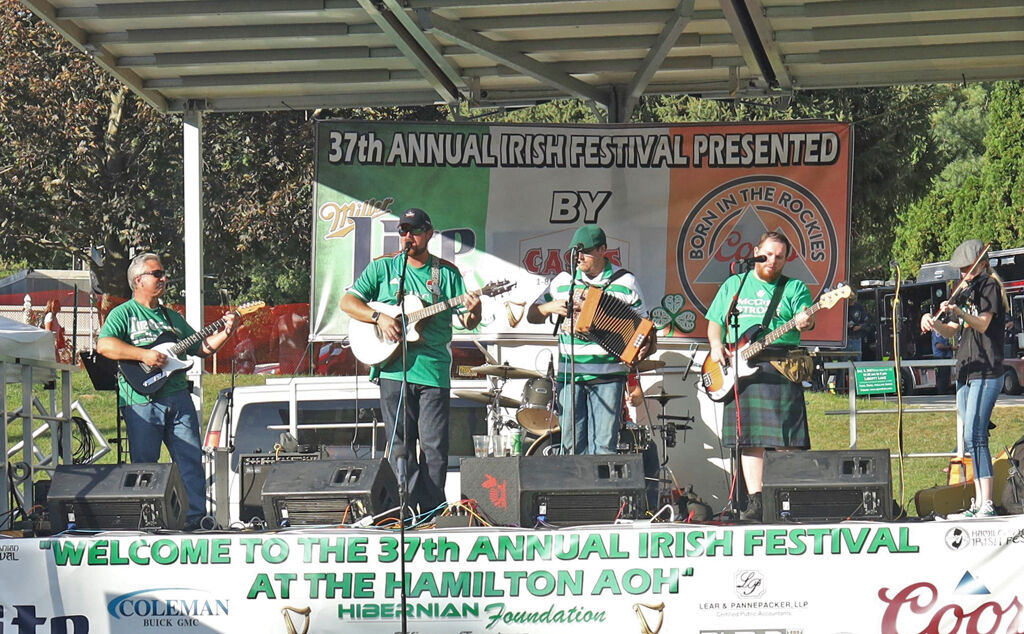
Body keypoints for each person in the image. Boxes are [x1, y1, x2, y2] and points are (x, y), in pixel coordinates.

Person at [340, 208, 481, 514]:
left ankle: (430, 510)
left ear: (429, 233)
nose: (408, 236)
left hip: (432, 370)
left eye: (415, 231)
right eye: (403, 230)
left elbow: (469, 321)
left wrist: (476, 308)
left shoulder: (444, 274)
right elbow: (348, 302)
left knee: (433, 448)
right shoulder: (384, 268)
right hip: (393, 369)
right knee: (400, 447)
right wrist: (379, 318)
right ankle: (402, 510)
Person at [97, 253, 238, 529]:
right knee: (145, 466)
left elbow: (202, 347)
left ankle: (195, 519)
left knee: (190, 461)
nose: (164, 278)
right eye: (157, 274)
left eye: (163, 273)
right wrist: (143, 355)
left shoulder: (172, 317)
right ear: (138, 280)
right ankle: (147, 520)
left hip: (177, 397)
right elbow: (105, 346)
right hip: (140, 400)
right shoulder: (123, 313)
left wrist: (227, 331)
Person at [705, 231, 814, 521]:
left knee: (786, 439)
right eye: (768, 254)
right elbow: (715, 324)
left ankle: (785, 499)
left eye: (780, 257)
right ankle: (756, 500)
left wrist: (806, 318)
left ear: (786, 259)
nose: (773, 261)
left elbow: (807, 318)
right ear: (756, 251)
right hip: (740, 369)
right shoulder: (735, 284)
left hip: (780, 365)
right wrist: (716, 346)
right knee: (750, 439)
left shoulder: (794, 288)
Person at [527, 225, 654, 455]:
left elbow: (644, 327)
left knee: (605, 447)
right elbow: (532, 314)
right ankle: (574, 490)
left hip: (608, 374)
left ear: (602, 250)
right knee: (570, 445)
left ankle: (601, 491)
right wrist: (549, 307)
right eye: (575, 252)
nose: (578, 257)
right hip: (570, 376)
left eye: (584, 251)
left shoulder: (625, 282)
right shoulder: (563, 281)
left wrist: (643, 346)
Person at [921, 239, 1008, 519]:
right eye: (960, 269)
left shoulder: (989, 287)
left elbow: (983, 323)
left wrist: (960, 311)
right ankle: (977, 501)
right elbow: (950, 331)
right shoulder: (965, 290)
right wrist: (933, 322)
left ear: (982, 264)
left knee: (977, 436)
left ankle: (987, 504)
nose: (963, 274)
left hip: (986, 370)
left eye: (968, 268)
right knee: (969, 439)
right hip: (966, 371)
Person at [42, 298, 69, 363]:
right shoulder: (50, 315)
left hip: (54, 342)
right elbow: (48, 330)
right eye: (57, 305)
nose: (59, 306)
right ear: (52, 306)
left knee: (57, 360)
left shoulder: (54, 317)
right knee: (56, 360)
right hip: (51, 342)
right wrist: (54, 342)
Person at [932, 329, 953, 394]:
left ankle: (945, 391)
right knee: (942, 379)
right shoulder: (937, 331)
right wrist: (951, 347)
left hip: (946, 357)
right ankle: (942, 393)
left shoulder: (944, 330)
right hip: (941, 357)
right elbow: (939, 345)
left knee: (946, 378)